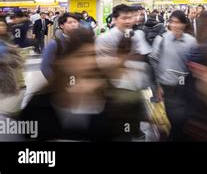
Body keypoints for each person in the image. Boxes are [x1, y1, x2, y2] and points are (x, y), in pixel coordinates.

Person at [21, 28, 152, 142]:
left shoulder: (110, 103)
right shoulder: (39, 105)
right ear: (63, 62)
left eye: (93, 55)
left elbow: (122, 133)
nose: (90, 62)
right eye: (81, 56)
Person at [149, 10, 197, 141]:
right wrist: (157, 86)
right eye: (172, 22)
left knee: (183, 120)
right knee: (176, 119)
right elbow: (154, 61)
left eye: (177, 22)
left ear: (183, 24)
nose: (174, 25)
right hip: (169, 87)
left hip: (186, 87)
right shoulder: (162, 39)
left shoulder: (191, 42)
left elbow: (195, 65)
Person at [96, 4, 153, 92]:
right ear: (114, 20)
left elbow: (144, 56)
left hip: (135, 87)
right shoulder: (104, 38)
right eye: (124, 18)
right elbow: (103, 66)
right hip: (113, 88)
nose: (127, 21)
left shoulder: (137, 35)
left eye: (130, 18)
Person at [40, 13, 80, 82]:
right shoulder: (54, 44)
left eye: (75, 22)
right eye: (70, 22)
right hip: (63, 83)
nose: (73, 25)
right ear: (62, 25)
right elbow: (45, 67)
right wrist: (57, 83)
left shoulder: (82, 41)